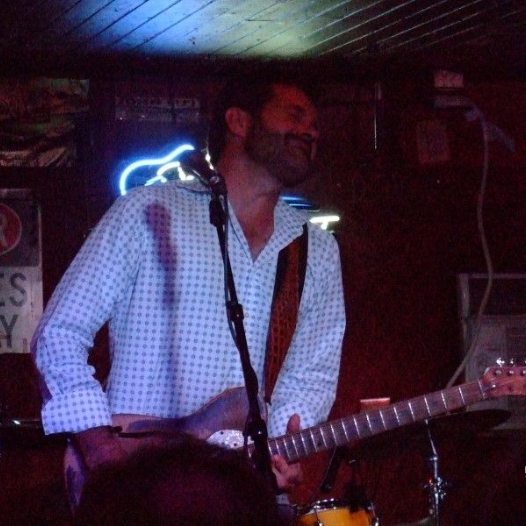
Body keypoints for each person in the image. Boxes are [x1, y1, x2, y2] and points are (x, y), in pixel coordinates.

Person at [31, 74, 346, 512]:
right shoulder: (148, 210)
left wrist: (282, 448)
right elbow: (59, 333)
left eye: (315, 123)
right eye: (295, 115)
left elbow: (309, 376)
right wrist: (98, 445)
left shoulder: (315, 250)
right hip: (141, 492)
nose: (311, 131)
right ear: (239, 121)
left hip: (233, 496)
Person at [73, 433, 286, 526]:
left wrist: (277, 456)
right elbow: (62, 342)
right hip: (134, 481)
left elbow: (301, 380)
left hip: (226, 493)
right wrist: (100, 446)